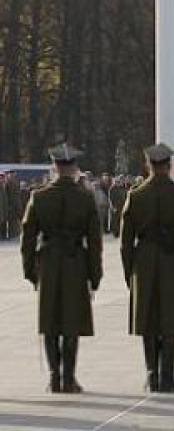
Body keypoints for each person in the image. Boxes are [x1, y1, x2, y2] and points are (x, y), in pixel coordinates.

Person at [20, 143, 103, 393]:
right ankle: (69, 377)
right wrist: (94, 274)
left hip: (49, 262)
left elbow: (27, 239)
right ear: (74, 168)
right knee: (71, 322)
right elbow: (95, 241)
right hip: (75, 260)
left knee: (50, 321)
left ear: (54, 167)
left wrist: (31, 272)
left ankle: (54, 376)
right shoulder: (85, 197)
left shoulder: (39, 196)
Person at [120, 143, 174, 393]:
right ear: (169, 165)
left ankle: (152, 374)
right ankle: (167, 376)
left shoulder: (136, 195)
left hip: (144, 260)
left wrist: (129, 272)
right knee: (170, 320)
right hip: (173, 258)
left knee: (147, 320)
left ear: (148, 165)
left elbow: (125, 241)